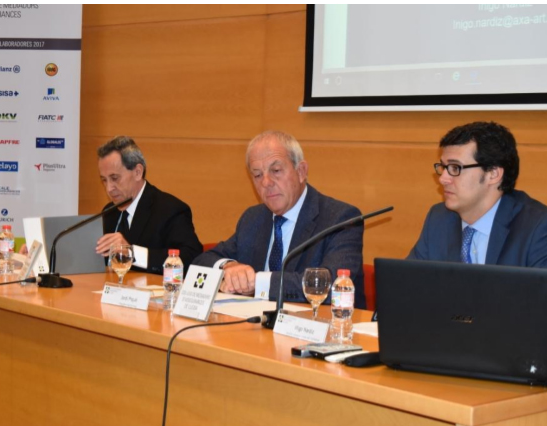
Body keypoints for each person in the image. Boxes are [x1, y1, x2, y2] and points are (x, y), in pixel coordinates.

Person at [193, 130, 366, 309]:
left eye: (276, 171)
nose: (266, 182)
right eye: (257, 175)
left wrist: (257, 283)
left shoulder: (340, 219)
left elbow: (331, 286)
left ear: (301, 171)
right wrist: (228, 266)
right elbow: (202, 261)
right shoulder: (253, 218)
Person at [408, 121, 547, 267]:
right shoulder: (439, 218)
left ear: (493, 174)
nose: (443, 179)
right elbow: (410, 279)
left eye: (455, 168)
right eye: (443, 167)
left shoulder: (538, 228)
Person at [95, 136, 203, 274]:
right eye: (104, 180)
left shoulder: (170, 209)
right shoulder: (109, 212)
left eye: (115, 178)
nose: (109, 188)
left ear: (138, 172)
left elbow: (191, 257)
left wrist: (132, 253)